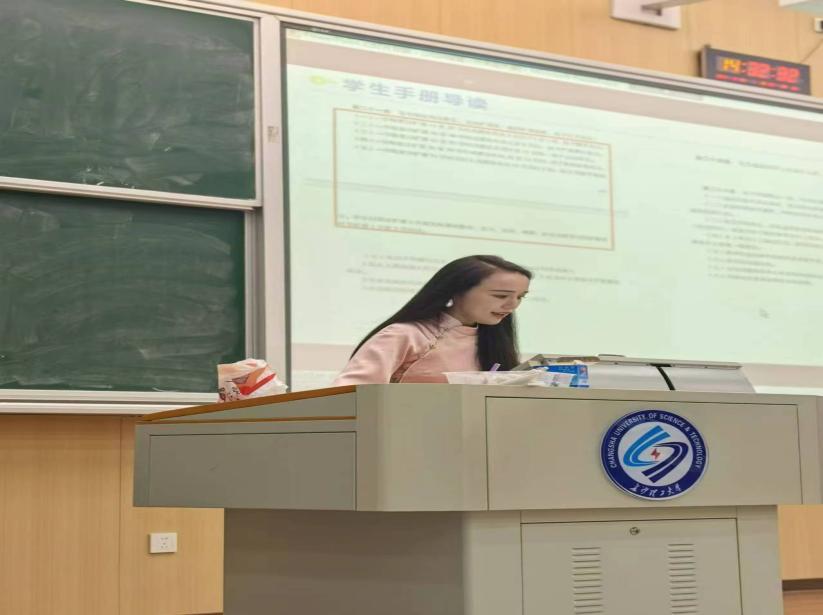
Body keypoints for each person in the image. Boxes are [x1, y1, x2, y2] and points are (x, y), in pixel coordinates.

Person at [333, 255, 532, 385]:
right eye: (500, 296)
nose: (512, 305)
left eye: (520, 297)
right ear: (457, 291)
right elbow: (349, 393)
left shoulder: (494, 341)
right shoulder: (405, 335)